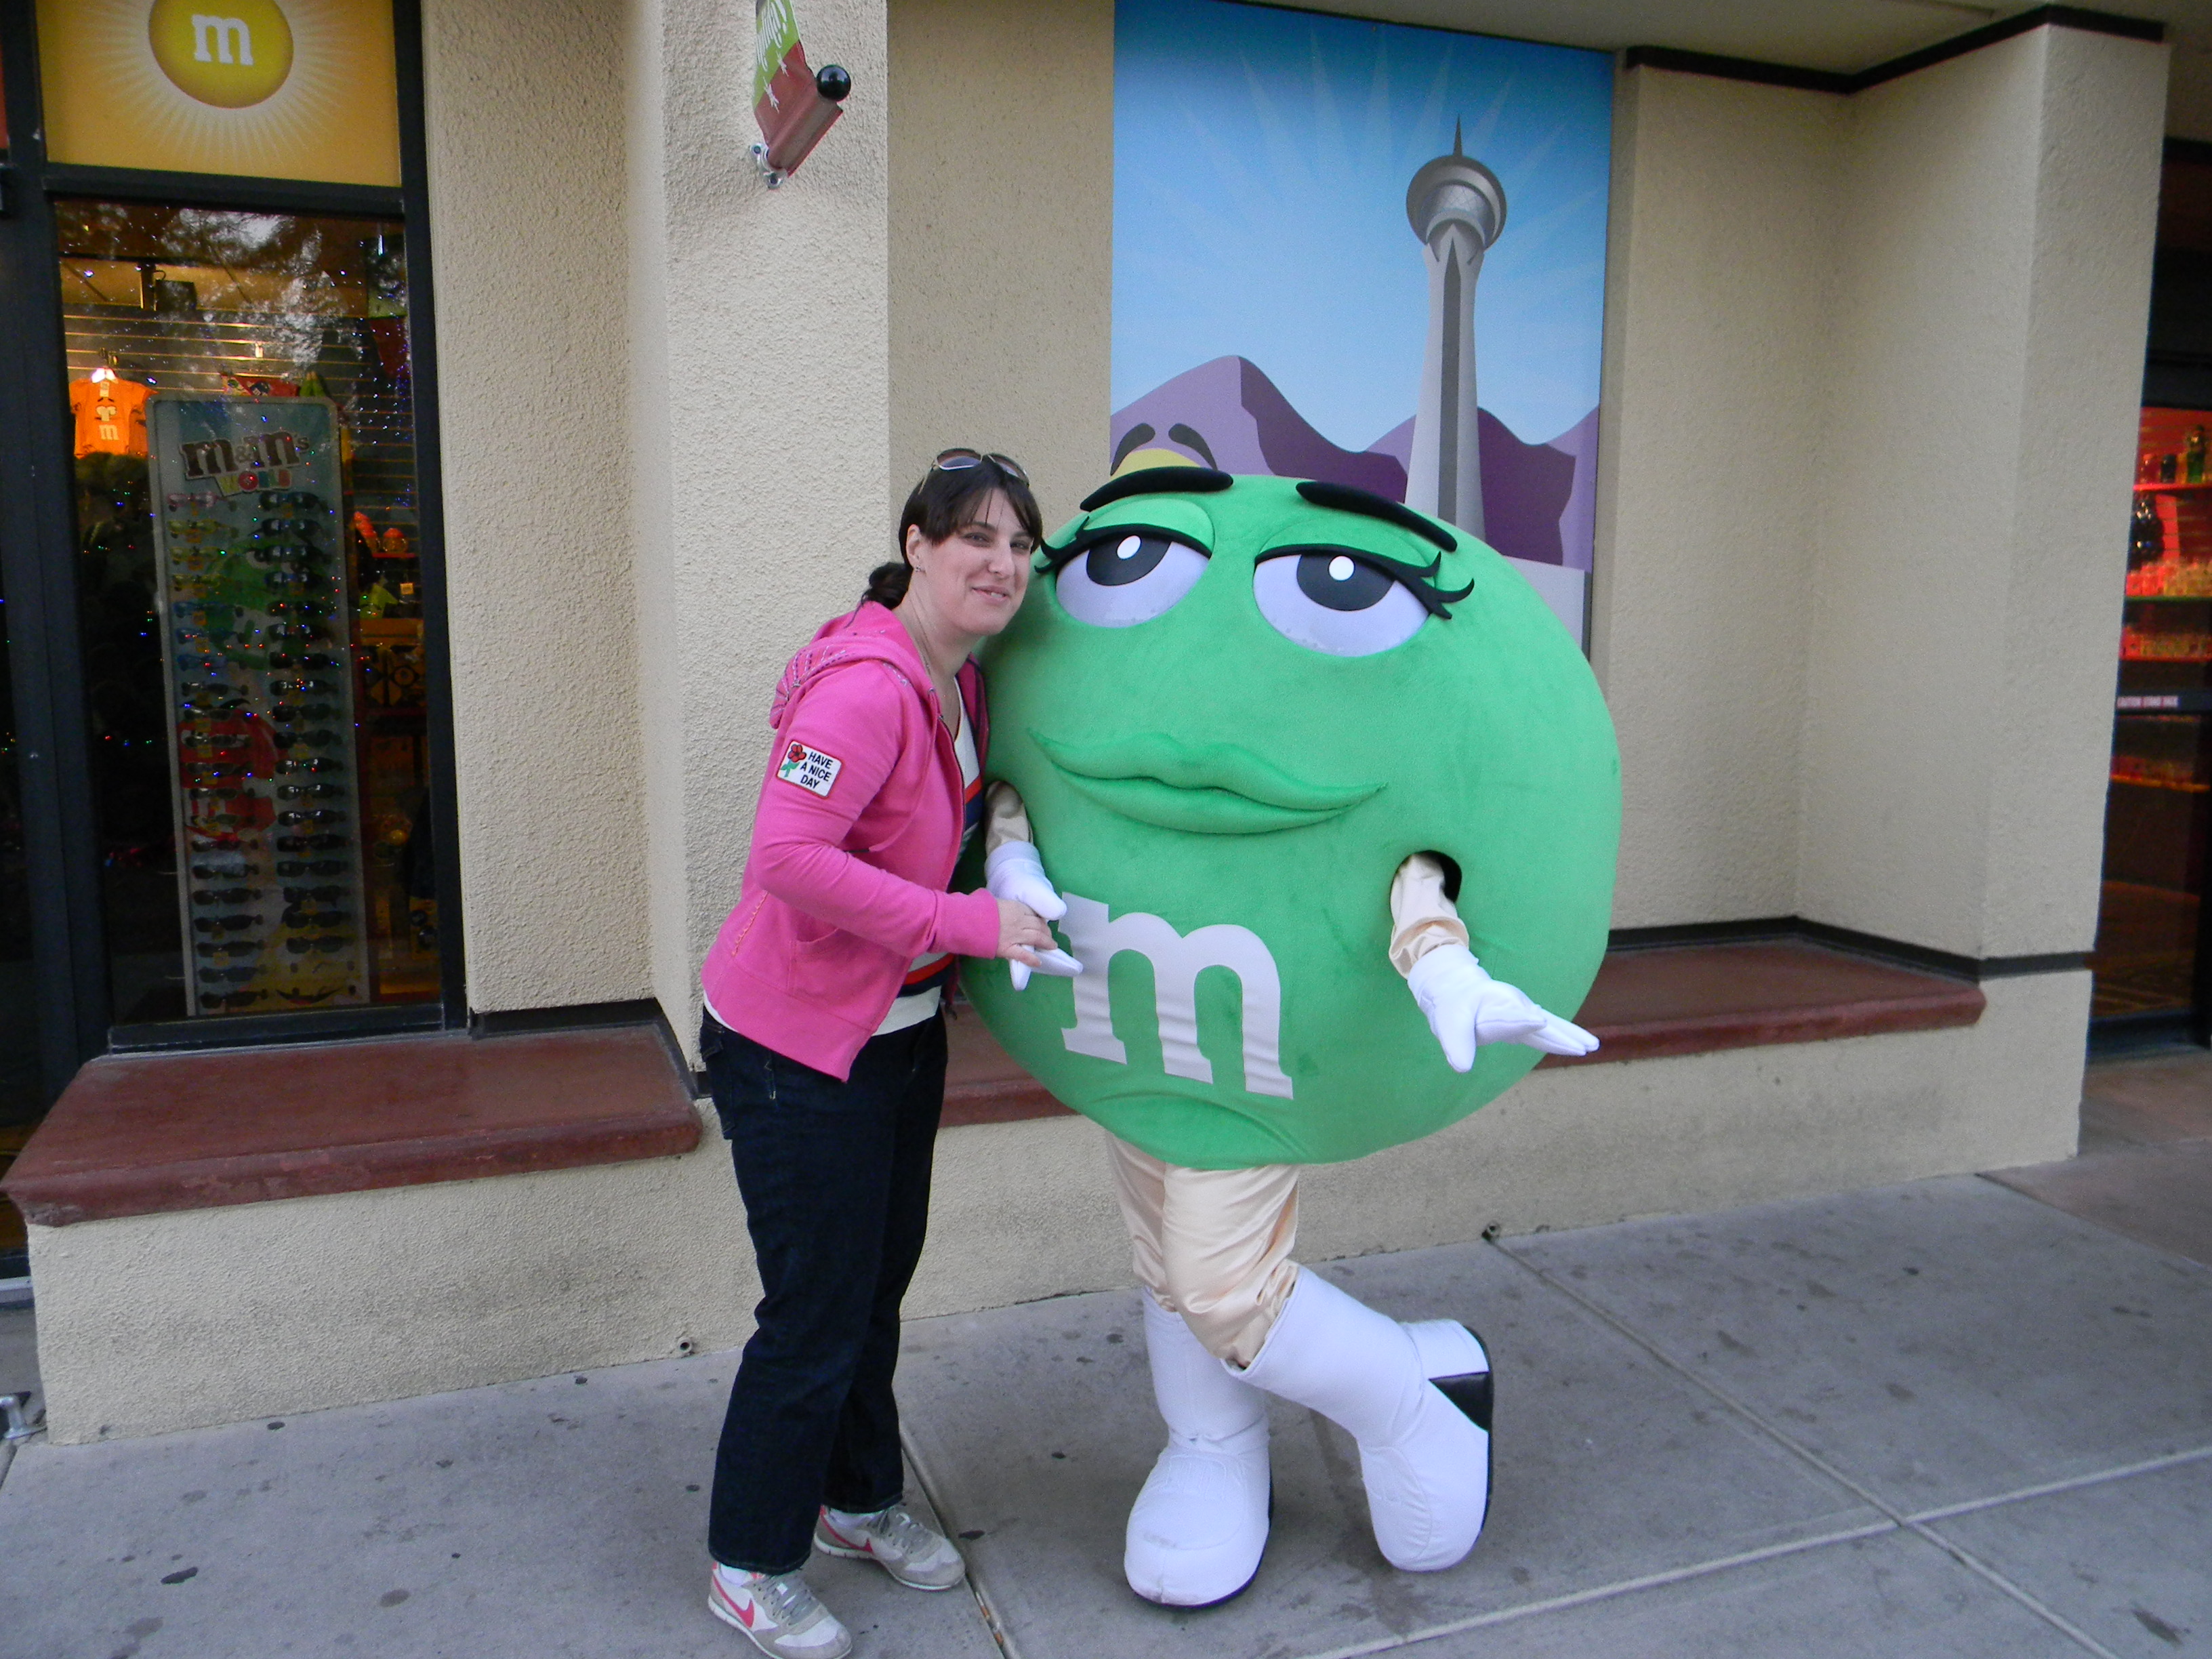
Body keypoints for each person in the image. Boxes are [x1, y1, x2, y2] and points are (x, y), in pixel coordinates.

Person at [695, 450, 1079, 1658]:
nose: (1002, 564)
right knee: (814, 1314)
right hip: (795, 1051)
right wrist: (971, 922)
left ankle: (856, 1501)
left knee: (871, 1292)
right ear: (917, 545)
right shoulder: (867, 687)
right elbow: (786, 859)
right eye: (976, 538)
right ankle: (750, 1563)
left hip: (897, 1036)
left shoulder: (956, 680)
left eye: (1020, 545)